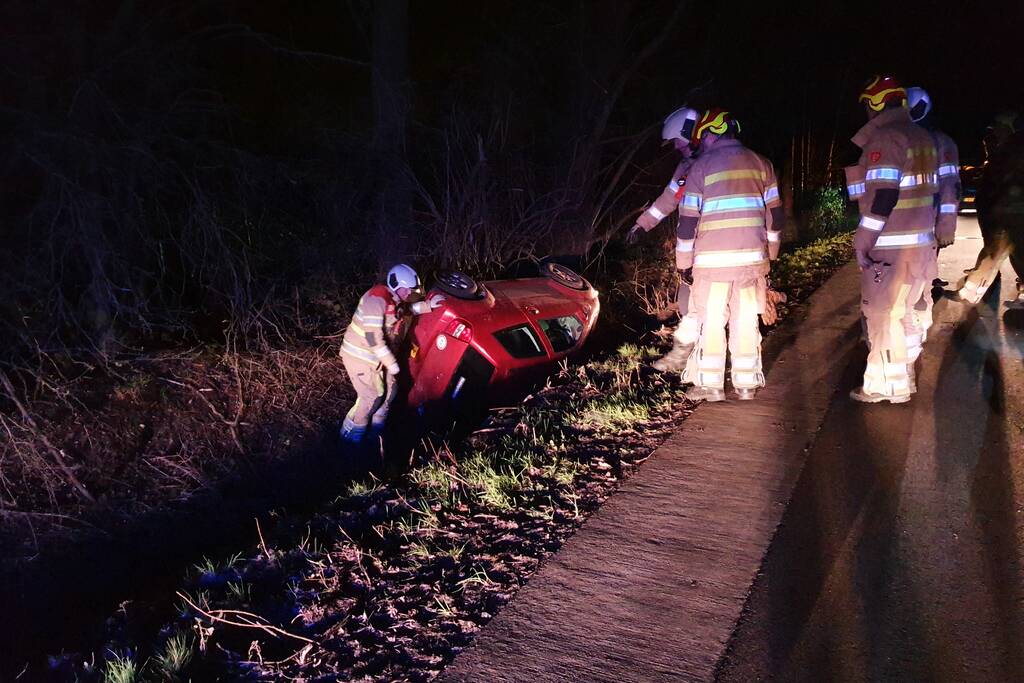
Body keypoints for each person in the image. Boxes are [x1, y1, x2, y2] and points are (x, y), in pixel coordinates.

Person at [676, 108, 783, 401]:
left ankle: (711, 386)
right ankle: (746, 383)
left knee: (711, 321)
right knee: (746, 319)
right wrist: (771, 252)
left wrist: (683, 263)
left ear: (710, 134)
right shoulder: (762, 164)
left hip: (712, 266)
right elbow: (775, 214)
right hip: (751, 263)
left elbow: (687, 222)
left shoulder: (700, 168)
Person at [845, 75, 940, 404]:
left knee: (883, 314)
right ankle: (903, 375)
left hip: (892, 247)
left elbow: (883, 196)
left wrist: (863, 240)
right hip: (921, 247)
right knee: (904, 312)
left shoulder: (887, 138)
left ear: (874, 104)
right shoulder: (922, 137)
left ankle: (883, 386)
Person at [627, 106, 702, 372]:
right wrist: (641, 225)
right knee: (689, 301)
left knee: (698, 304)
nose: (675, 147)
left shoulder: (712, 163)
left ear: (690, 133)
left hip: (709, 248)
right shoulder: (685, 166)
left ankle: (692, 359)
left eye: (677, 141)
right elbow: (669, 199)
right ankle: (694, 358)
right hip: (693, 249)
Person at [339, 264, 444, 443]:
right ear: (398, 286)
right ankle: (351, 440)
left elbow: (405, 312)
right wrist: (392, 364)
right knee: (371, 397)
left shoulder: (394, 300)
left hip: (379, 358)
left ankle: (375, 437)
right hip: (360, 357)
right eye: (407, 290)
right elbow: (373, 338)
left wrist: (428, 305)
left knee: (390, 392)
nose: (409, 294)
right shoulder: (376, 299)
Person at [905, 86, 959, 349]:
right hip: (910, 222)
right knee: (912, 281)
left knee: (920, 279)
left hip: (929, 221)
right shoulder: (907, 139)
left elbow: (950, 186)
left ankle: (915, 332)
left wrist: (946, 224)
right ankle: (914, 327)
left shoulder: (941, 142)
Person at [958, 112, 1024, 307]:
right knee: (1000, 253)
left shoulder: (1012, 147)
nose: (995, 132)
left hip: (1011, 212)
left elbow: (1001, 180)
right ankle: (970, 293)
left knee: (998, 253)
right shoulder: (1009, 146)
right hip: (1008, 211)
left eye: (998, 127)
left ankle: (970, 294)